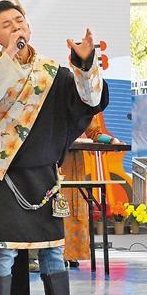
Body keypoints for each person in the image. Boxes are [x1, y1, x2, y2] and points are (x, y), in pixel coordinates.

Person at [0, 0, 108, 295]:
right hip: (3, 172)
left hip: (43, 172)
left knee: (53, 249)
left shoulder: (52, 71)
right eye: (7, 25)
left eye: (20, 21)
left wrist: (85, 63)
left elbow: (89, 101)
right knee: (2, 251)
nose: (16, 27)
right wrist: (12, 55)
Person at [60, 115, 118, 268]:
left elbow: (94, 133)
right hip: (53, 158)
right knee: (56, 207)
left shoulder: (83, 107)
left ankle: (71, 253)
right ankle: (55, 254)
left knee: (74, 208)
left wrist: (111, 140)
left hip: (74, 161)